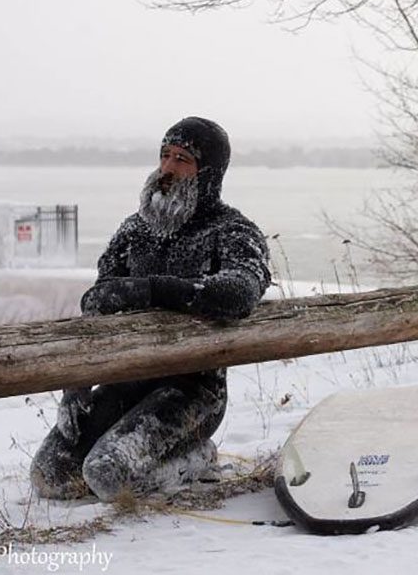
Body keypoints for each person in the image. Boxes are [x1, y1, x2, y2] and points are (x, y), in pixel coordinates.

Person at [30, 117, 271, 502]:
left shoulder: (231, 231)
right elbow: (97, 305)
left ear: (208, 173)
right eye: (164, 156)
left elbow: (239, 292)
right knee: (50, 473)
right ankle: (138, 457)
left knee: (106, 473)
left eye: (182, 159)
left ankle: (198, 459)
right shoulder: (134, 230)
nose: (168, 169)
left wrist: (149, 290)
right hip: (128, 376)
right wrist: (75, 385)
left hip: (193, 390)